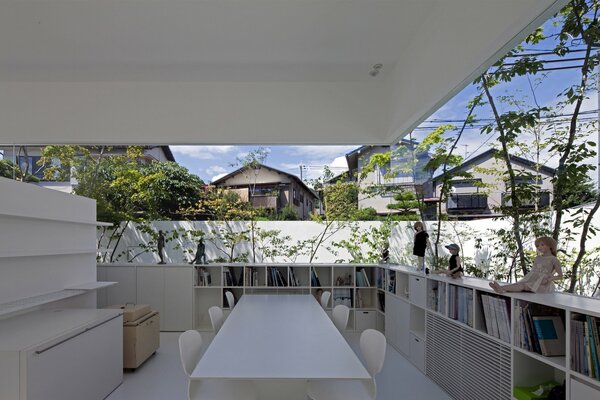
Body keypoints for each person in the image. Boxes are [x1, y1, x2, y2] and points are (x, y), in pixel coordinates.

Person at [490, 236, 562, 294]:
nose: (539, 247)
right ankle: (501, 288)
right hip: (533, 279)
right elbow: (533, 271)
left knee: (523, 286)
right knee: (520, 284)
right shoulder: (538, 257)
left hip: (543, 284)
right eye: (538, 246)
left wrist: (549, 279)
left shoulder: (553, 259)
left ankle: (501, 288)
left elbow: (560, 276)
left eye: (542, 245)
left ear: (550, 246)